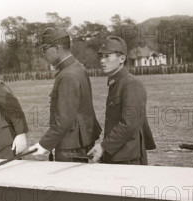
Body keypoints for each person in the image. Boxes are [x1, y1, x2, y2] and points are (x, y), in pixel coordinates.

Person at [29, 27, 101, 162]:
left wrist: (44, 145)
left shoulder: (67, 75)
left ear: (57, 48)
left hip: (71, 146)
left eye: (45, 49)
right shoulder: (77, 67)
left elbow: (64, 120)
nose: (44, 54)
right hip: (80, 141)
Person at [88, 36, 156, 164]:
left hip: (128, 158)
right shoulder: (117, 83)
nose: (102, 61)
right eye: (101, 56)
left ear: (122, 59)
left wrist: (104, 147)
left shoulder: (131, 84)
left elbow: (130, 124)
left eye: (107, 56)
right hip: (117, 155)